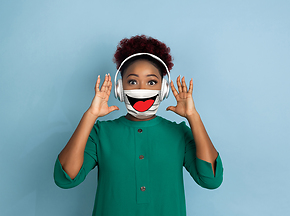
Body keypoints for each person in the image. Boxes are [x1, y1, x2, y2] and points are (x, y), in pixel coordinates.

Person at [53, 35, 223, 216]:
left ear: (163, 89)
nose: (142, 89)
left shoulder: (179, 133)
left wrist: (193, 117)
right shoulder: (100, 133)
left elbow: (211, 180)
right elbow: (66, 179)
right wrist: (90, 115)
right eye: (132, 81)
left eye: (151, 82)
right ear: (120, 88)